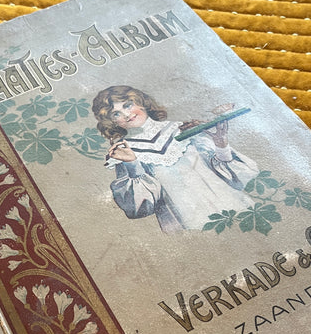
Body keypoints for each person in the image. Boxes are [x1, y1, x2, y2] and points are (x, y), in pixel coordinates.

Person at [92, 85, 259, 234]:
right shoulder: (125, 151)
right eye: (116, 114)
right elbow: (139, 208)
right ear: (112, 122)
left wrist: (221, 145)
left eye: (128, 105)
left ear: (141, 102)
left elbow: (238, 179)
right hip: (189, 226)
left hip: (230, 206)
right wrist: (132, 165)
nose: (127, 114)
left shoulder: (183, 128)